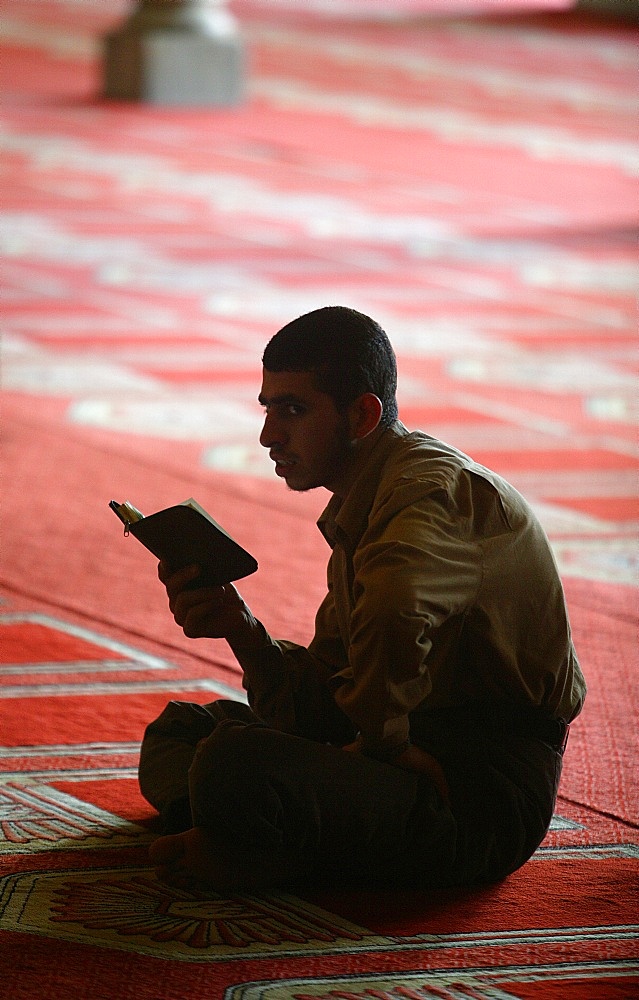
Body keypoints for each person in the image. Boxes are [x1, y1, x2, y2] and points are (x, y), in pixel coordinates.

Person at [140, 305, 586, 894]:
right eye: (269, 409)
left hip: (473, 791)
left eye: (293, 410)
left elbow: (395, 613)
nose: (270, 435)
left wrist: (383, 744)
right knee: (183, 733)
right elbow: (329, 699)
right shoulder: (368, 503)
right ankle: (266, 837)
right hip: (408, 755)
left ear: (362, 414)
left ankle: (258, 845)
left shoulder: (429, 494)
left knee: (231, 760)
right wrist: (241, 629)